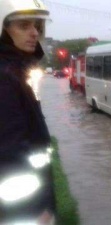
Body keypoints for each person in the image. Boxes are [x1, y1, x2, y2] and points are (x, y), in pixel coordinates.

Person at [0, 0, 56, 224]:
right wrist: (34, 210)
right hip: (23, 209)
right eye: (24, 26)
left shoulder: (17, 70)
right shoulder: (5, 78)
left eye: (36, 27)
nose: (34, 33)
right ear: (3, 31)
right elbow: (10, 152)